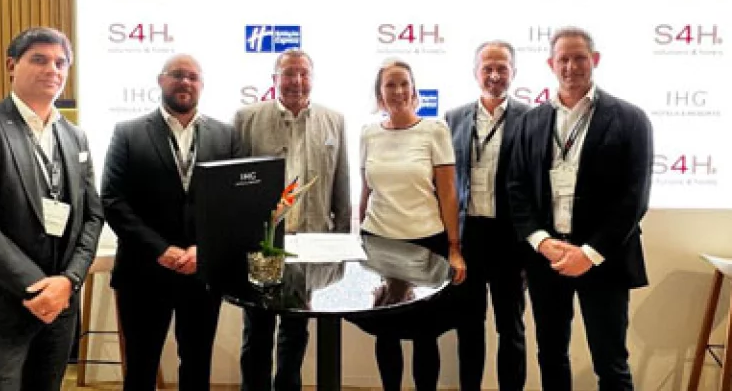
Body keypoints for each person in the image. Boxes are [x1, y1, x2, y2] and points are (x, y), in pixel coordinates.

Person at [0, 26, 105, 391]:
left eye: (61, 62)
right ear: (12, 65)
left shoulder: (74, 136)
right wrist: (36, 287)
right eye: (39, 59)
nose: (52, 69)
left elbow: (93, 216)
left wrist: (69, 281)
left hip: (60, 304)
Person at [506, 27, 653, 391]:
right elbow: (516, 188)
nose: (571, 67)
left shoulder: (631, 119)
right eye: (563, 59)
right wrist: (541, 241)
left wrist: (589, 253)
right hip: (548, 258)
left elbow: (634, 197)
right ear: (551, 64)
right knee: (551, 355)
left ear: (595, 60)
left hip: (604, 259)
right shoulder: (530, 121)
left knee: (610, 361)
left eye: (579, 58)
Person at [101, 54, 242, 390]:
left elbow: (234, 204)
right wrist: (160, 249)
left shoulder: (226, 136)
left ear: (202, 85)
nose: (185, 82)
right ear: (160, 80)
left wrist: (203, 250)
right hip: (143, 271)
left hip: (201, 272)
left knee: (197, 364)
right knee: (140, 367)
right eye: (177, 74)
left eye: (193, 77)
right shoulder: (128, 133)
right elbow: (112, 200)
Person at [233, 48, 351, 391]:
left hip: (311, 246)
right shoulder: (246, 118)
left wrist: (340, 246)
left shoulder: (334, 120)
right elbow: (234, 185)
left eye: (303, 74)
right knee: (257, 332)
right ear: (274, 79)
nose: (296, 81)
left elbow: (342, 186)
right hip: (264, 247)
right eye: (288, 74)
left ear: (312, 79)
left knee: (295, 332)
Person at [357, 58, 467, 391]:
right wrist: (356, 238)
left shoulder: (434, 130)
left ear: (414, 90)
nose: (398, 91)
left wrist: (454, 248)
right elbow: (365, 191)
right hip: (379, 243)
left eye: (404, 83)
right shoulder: (368, 133)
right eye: (390, 85)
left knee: (424, 332)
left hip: (425, 245)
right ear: (379, 93)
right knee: (386, 331)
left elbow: (448, 194)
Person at [445, 40, 530, 390]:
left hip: (510, 240)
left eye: (502, 68)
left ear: (514, 71)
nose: (494, 75)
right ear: (475, 72)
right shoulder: (453, 118)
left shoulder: (532, 118)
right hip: (468, 238)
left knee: (511, 328)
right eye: (487, 68)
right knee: (469, 326)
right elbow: (446, 182)